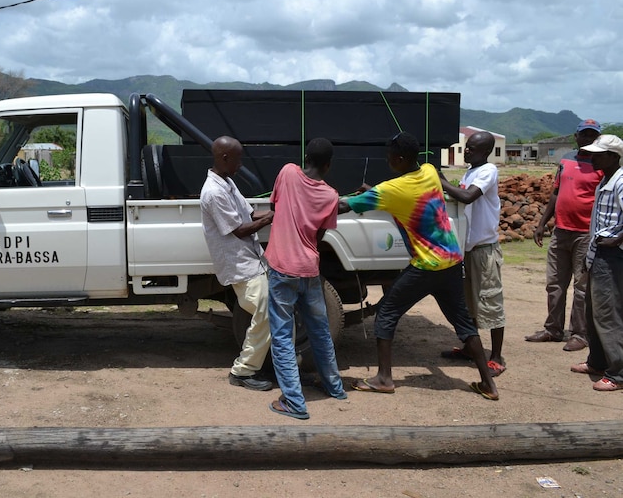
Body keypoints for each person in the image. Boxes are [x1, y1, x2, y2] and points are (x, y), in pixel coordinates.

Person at [338, 131, 499, 400]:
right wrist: (374, 192)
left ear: (399, 158)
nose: (387, 161)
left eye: (390, 158)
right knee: (463, 324)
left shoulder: (389, 190)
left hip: (426, 266)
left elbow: (345, 206)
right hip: (451, 261)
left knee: (387, 312)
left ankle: (384, 378)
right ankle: (488, 385)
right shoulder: (429, 172)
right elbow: (403, 195)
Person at [264, 137, 347, 420]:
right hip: (309, 269)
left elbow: (275, 210)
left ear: (305, 158)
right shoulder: (331, 196)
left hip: (282, 268)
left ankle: (294, 402)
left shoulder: (287, 173)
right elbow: (319, 235)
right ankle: (334, 387)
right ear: (328, 165)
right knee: (320, 331)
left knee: (283, 337)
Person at [200, 136, 275, 391]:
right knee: (265, 310)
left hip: (252, 261)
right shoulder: (213, 192)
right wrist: (271, 219)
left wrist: (280, 211)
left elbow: (250, 213)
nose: (240, 164)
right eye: (238, 159)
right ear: (224, 158)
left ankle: (266, 363)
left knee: (268, 310)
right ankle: (243, 371)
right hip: (240, 265)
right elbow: (239, 229)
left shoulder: (227, 183)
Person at [526, 119, 603, 351]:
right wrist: (542, 224)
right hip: (561, 231)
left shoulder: (603, 164)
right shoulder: (567, 160)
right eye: (584, 134)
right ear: (576, 136)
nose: (588, 139)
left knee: (581, 287)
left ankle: (580, 334)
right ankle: (553, 329)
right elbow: (555, 193)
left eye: (592, 135)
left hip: (586, 234)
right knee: (555, 284)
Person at [438, 131, 506, 377]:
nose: (467, 151)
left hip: (483, 250)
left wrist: (441, 181)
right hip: (467, 249)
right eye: (466, 147)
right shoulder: (470, 172)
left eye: (472, 148)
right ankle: (470, 348)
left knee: (490, 302)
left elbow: (467, 197)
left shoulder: (488, 171)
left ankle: (496, 356)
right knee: (469, 305)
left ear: (485, 152)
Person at [569, 134, 623, 391]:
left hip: (613, 256)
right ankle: (597, 362)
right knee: (594, 312)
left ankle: (618, 373)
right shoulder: (606, 180)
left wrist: (617, 240)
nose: (592, 157)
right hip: (599, 254)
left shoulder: (621, 181)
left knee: (608, 314)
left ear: (613, 157)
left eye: (598, 154)